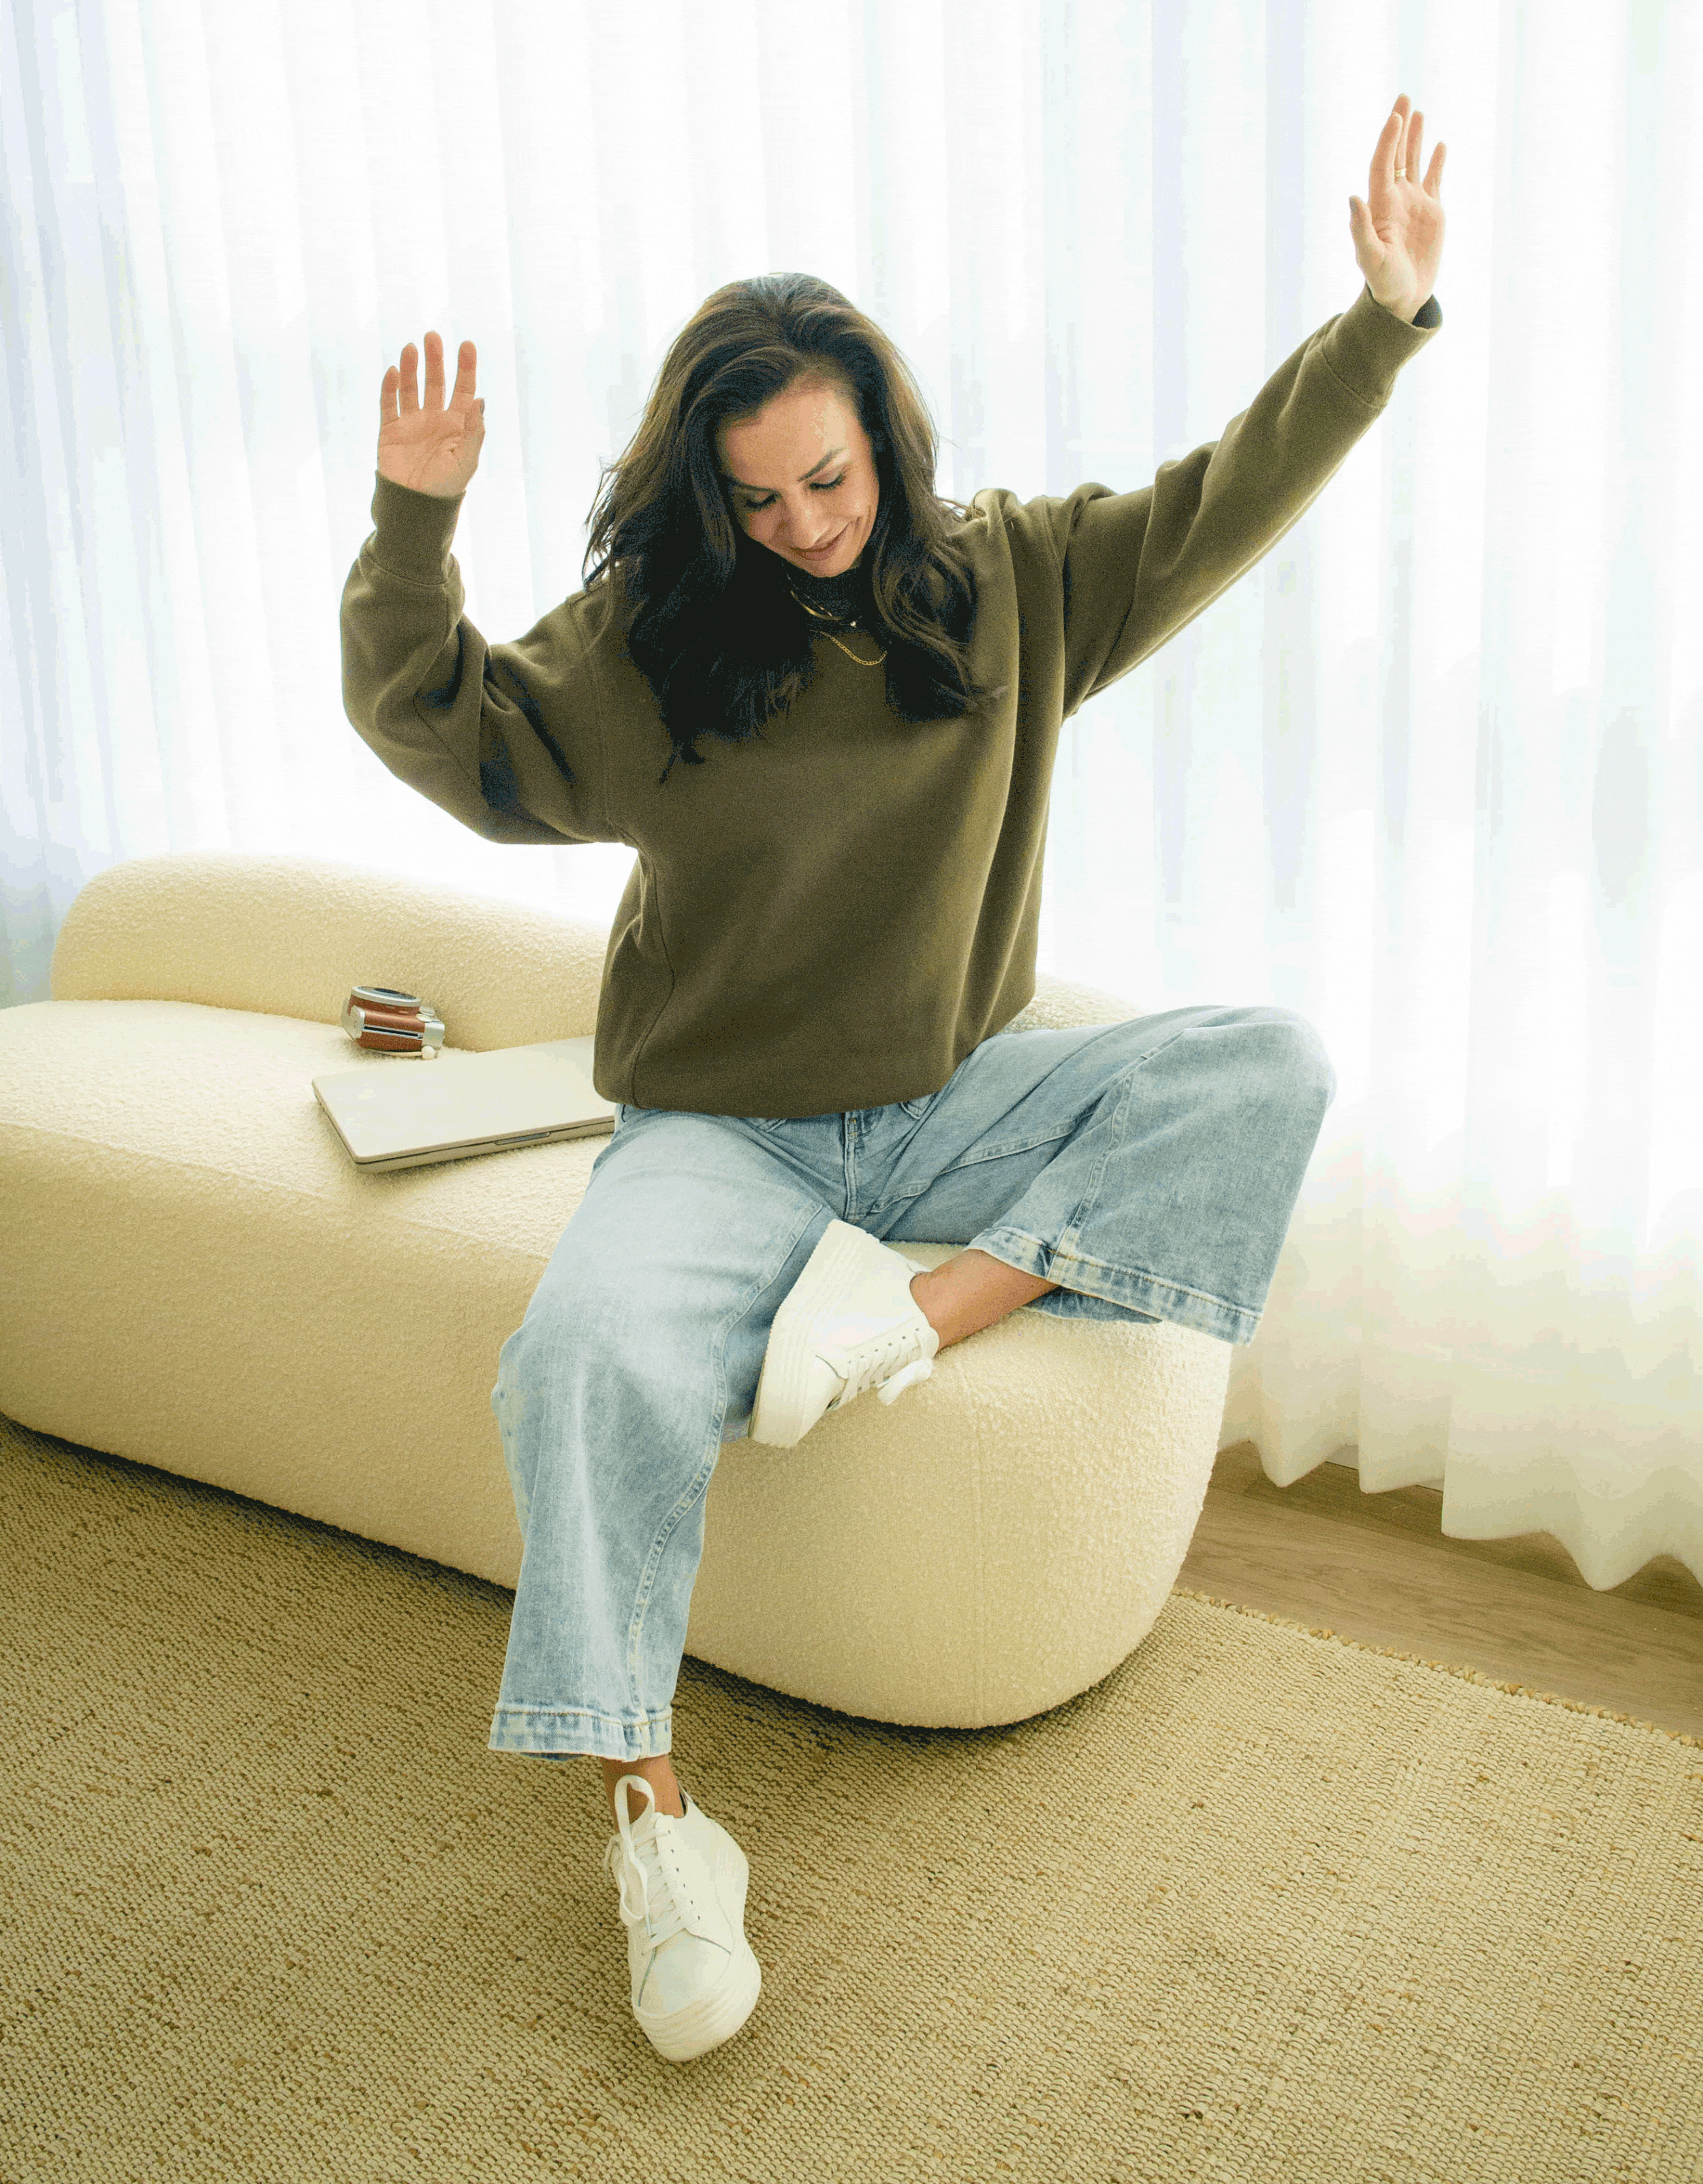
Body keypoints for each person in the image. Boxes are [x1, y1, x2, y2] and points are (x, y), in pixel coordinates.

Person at [340, 95, 1446, 2065]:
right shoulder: (656, 648)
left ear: (884, 436)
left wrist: (1373, 324)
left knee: (1267, 1061)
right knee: (580, 1351)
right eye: (758, 498)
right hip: (727, 1128)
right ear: (710, 502)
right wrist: (412, 528)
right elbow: (453, 730)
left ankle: (910, 1315)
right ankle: (658, 1825)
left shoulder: (1009, 584)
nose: (804, 523)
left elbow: (1216, 499)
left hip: (947, 1102)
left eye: (827, 478)